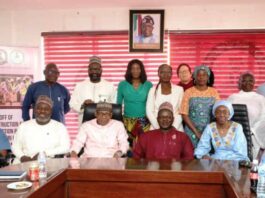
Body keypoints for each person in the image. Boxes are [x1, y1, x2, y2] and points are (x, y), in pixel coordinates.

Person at [12, 95, 70, 163]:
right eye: (39, 108)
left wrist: (44, 154)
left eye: (46, 109)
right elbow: (15, 146)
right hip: (25, 161)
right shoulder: (24, 126)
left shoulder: (59, 127)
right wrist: (22, 157)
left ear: (51, 112)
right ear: (34, 110)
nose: (42, 111)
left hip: (49, 162)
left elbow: (66, 147)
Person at [180, 65, 220, 147]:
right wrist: (196, 132)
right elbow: (184, 114)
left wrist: (210, 130)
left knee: (207, 157)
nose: (201, 77)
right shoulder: (188, 92)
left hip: (209, 131)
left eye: (204, 75)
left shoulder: (214, 92)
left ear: (208, 77)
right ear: (194, 77)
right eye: (199, 75)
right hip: (191, 130)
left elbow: (218, 112)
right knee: (191, 157)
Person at [227, 72, 265, 158]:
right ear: (239, 83)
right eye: (244, 81)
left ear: (254, 82)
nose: (248, 83)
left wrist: (252, 131)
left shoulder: (261, 99)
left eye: (250, 81)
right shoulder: (232, 97)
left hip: (254, 135)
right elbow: (226, 116)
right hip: (235, 134)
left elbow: (264, 117)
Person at [70, 56, 116, 125]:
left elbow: (115, 105)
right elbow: (72, 104)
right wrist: (83, 106)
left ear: (101, 70)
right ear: (88, 71)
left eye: (97, 69)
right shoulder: (79, 86)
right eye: (91, 69)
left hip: (105, 126)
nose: (94, 72)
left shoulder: (110, 86)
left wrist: (105, 107)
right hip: (85, 125)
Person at [117, 59, 153, 145]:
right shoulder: (122, 84)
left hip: (144, 121)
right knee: (128, 148)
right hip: (127, 121)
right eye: (132, 68)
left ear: (142, 70)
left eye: (138, 68)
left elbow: (152, 105)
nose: (135, 71)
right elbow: (118, 104)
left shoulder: (148, 85)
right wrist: (119, 121)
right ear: (129, 70)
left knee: (143, 147)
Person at [146, 64, 184, 131]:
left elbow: (181, 111)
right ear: (159, 74)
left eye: (168, 72)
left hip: (176, 128)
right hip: (156, 128)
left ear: (171, 74)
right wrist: (158, 127)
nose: (166, 74)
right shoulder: (152, 90)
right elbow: (149, 111)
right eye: (163, 72)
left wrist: (174, 127)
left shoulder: (179, 90)